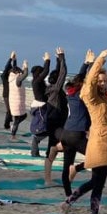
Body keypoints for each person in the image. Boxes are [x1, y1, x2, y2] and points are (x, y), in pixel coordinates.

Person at [60, 48, 107, 214]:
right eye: (100, 81)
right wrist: (100, 59)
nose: (103, 84)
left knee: (98, 182)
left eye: (104, 81)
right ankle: (81, 211)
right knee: (97, 181)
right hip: (99, 143)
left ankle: (70, 205)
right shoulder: (91, 97)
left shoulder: (103, 95)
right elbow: (92, 80)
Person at [57, 50, 93, 198]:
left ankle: (67, 195)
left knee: (66, 167)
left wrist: (86, 64)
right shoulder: (81, 94)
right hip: (76, 134)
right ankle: (77, 168)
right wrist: (91, 65)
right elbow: (87, 80)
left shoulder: (71, 92)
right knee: (96, 158)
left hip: (67, 133)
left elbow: (81, 77)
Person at [41, 47, 68, 187]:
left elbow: (59, 73)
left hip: (56, 123)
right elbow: (63, 73)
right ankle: (47, 180)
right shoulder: (56, 90)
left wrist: (57, 60)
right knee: (56, 148)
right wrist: (62, 57)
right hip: (56, 125)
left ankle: (47, 179)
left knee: (53, 150)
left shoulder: (52, 89)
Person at [28, 52, 51, 157]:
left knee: (44, 128)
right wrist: (47, 60)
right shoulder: (37, 81)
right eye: (41, 73)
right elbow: (46, 71)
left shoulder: (37, 82)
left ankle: (35, 152)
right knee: (43, 129)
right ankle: (34, 152)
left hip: (41, 105)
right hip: (41, 106)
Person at [7, 60, 29, 142]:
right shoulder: (17, 80)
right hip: (17, 103)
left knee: (23, 116)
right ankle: (13, 136)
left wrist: (22, 67)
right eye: (19, 72)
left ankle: (13, 129)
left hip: (14, 102)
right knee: (17, 120)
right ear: (17, 72)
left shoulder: (12, 78)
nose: (20, 73)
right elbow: (25, 74)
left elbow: (22, 74)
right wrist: (26, 66)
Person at [1, 51, 18, 130]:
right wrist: (10, 58)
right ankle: (6, 125)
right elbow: (6, 68)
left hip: (11, 95)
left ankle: (8, 123)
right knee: (9, 110)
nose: (13, 71)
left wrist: (15, 60)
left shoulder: (12, 77)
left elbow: (14, 69)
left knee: (11, 110)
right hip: (6, 96)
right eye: (11, 70)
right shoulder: (4, 77)